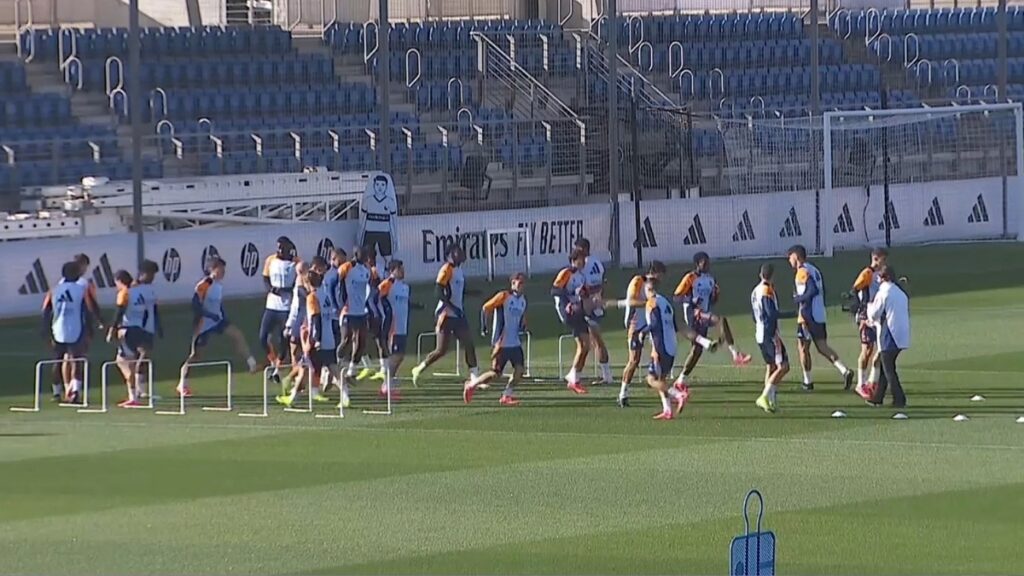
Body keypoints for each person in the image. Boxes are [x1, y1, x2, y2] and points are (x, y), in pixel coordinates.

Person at [178, 257, 257, 397]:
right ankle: (182, 383)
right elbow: (195, 306)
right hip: (203, 324)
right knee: (195, 355)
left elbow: (218, 305)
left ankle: (251, 362)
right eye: (221, 268)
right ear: (212, 269)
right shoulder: (204, 285)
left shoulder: (219, 285)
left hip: (218, 321)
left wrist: (222, 316)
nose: (223, 272)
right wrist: (209, 315)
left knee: (237, 334)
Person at [671, 252, 751, 391]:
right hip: (693, 314)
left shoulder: (710, 279)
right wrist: (691, 301)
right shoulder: (690, 278)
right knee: (720, 321)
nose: (708, 265)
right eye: (704, 262)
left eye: (708, 262)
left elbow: (711, 301)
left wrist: (715, 296)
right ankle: (735, 354)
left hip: (704, 314)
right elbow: (676, 297)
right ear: (697, 264)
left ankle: (681, 380)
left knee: (697, 350)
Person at [787, 244, 854, 391]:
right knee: (822, 346)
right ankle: (844, 370)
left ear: (796, 257)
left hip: (807, 315)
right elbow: (822, 289)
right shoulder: (814, 269)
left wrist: (798, 300)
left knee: (803, 348)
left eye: (790, 257)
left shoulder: (802, 272)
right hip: (819, 313)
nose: (789, 260)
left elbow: (812, 290)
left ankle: (807, 382)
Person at [411, 244, 479, 386]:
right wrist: (452, 308)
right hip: (446, 314)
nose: (461, 254)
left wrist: (472, 293)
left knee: (469, 343)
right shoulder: (446, 269)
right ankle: (418, 369)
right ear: (450, 255)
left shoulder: (459, 270)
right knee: (441, 350)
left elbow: (457, 291)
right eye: (457, 252)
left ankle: (474, 377)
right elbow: (439, 292)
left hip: (458, 314)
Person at [41, 261, 100, 405]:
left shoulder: (54, 289)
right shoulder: (81, 290)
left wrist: (45, 331)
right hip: (76, 328)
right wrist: (93, 327)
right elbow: (89, 309)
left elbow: (45, 311)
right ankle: (75, 392)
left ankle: (56, 393)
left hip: (57, 329)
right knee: (76, 361)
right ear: (76, 274)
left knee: (58, 360)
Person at [465, 272, 528, 406]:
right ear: (513, 284)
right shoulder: (504, 296)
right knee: (495, 374)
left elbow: (522, 318)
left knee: (520, 370)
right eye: (519, 282)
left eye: (523, 283)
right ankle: (472, 384)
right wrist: (484, 327)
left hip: (515, 342)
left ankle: (507, 395)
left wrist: (523, 325)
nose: (522, 285)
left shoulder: (523, 301)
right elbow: (486, 308)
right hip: (502, 342)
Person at [108, 262, 162, 407]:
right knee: (135, 359)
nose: (152, 277)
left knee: (128, 361)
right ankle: (137, 391)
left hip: (134, 329)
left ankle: (136, 393)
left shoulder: (131, 291)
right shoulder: (135, 291)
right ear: (141, 274)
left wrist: (113, 329)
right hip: (137, 329)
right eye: (150, 274)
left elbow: (121, 310)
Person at [614, 260, 667, 408]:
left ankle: (654, 380)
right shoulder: (638, 281)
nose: (662, 279)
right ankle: (623, 394)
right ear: (655, 272)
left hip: (648, 325)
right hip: (635, 325)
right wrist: (649, 303)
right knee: (634, 361)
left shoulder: (653, 287)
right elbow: (631, 301)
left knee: (659, 352)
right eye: (661, 275)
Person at [644, 274, 690, 420]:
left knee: (651, 380)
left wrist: (642, 332)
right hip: (671, 345)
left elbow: (655, 324)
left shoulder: (652, 303)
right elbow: (674, 325)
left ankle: (678, 394)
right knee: (661, 378)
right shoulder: (665, 302)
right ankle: (667, 410)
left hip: (661, 346)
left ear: (648, 288)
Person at [865, 265, 911, 409]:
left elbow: (874, 313)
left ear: (885, 278)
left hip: (890, 333)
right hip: (902, 333)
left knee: (889, 368)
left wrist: (868, 307)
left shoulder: (884, 292)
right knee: (886, 367)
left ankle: (899, 398)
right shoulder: (900, 292)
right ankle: (877, 397)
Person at [336, 247, 374, 407]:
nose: (365, 256)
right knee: (346, 339)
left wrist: (368, 307)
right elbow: (337, 287)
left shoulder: (366, 271)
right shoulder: (346, 268)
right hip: (348, 310)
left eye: (366, 254)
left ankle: (351, 370)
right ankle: (336, 362)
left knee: (361, 341)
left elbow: (368, 289)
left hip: (361, 311)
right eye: (362, 254)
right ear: (356, 254)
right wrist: (340, 305)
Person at [260, 236, 299, 384]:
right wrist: (271, 289)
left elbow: (298, 283)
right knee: (262, 337)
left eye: (282, 247)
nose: (279, 250)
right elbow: (265, 278)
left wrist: (285, 290)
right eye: (278, 247)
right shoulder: (270, 260)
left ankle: (278, 368)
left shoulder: (296, 263)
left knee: (284, 338)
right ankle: (273, 361)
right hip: (271, 305)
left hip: (286, 306)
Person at [750, 263, 789, 414]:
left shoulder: (755, 291)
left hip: (759, 333)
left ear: (760, 274)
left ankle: (770, 402)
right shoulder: (767, 290)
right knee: (784, 366)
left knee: (771, 366)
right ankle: (764, 396)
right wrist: (793, 314)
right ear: (773, 276)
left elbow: (754, 315)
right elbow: (771, 313)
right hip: (769, 333)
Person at [551, 248, 590, 395]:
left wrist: (586, 295)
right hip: (567, 311)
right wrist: (568, 302)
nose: (584, 261)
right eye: (581, 258)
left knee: (586, 345)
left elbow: (581, 293)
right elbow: (555, 290)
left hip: (577, 309)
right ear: (574, 260)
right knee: (582, 344)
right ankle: (574, 379)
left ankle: (574, 376)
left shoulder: (581, 276)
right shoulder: (566, 273)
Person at [849, 247, 887, 397]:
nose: (885, 263)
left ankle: (872, 381)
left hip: (877, 316)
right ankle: (860, 384)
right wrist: (862, 311)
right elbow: (854, 289)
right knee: (867, 350)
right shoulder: (867, 273)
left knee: (880, 349)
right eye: (883, 259)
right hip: (866, 316)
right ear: (876, 259)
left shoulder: (880, 275)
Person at [575, 238, 613, 385]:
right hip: (597, 303)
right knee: (593, 340)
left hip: (589, 305)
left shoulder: (585, 265)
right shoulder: (597, 262)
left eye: (578, 249)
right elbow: (601, 284)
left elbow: (588, 287)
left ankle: (606, 375)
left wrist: (582, 292)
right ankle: (604, 374)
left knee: (595, 341)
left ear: (583, 249)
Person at [377, 259, 413, 399]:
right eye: (399, 269)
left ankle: (389, 380)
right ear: (392, 271)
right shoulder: (388, 284)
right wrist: (384, 315)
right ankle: (386, 386)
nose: (402, 271)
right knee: (395, 355)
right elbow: (377, 298)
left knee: (400, 355)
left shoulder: (405, 287)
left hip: (403, 325)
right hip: (393, 326)